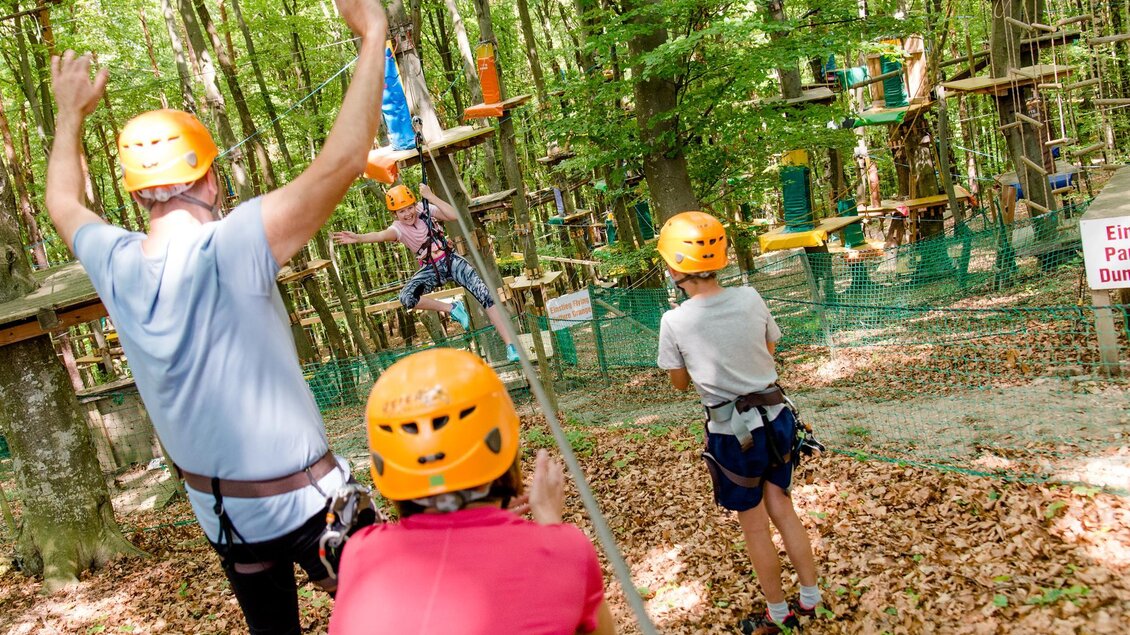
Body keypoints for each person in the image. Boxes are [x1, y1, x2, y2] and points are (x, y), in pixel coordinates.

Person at [44, 1, 388, 632]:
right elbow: (342, 162)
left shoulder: (114, 262)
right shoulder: (232, 243)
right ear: (209, 178)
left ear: (137, 191)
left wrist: (70, 115)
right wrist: (373, 36)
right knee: (402, 617)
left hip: (223, 515)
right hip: (310, 507)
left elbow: (62, 201)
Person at [329, 348, 615, 635]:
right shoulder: (565, 551)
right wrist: (551, 528)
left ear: (384, 461)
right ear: (501, 442)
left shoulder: (360, 553)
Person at [654, 212, 822, 635]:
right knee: (783, 506)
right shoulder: (750, 297)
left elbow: (678, 384)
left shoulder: (674, 321)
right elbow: (768, 346)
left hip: (734, 434)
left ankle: (778, 614)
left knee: (754, 524)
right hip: (778, 418)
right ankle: (810, 598)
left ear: (675, 268)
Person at [332, 183, 521, 362]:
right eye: (401, 211)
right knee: (407, 298)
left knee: (485, 295)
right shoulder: (397, 229)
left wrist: (430, 196)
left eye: (408, 207)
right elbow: (379, 236)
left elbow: (454, 214)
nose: (407, 214)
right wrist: (358, 238)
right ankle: (452, 308)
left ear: (414, 204)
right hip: (431, 268)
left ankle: (510, 345)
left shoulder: (425, 210)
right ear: (395, 215)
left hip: (451, 260)